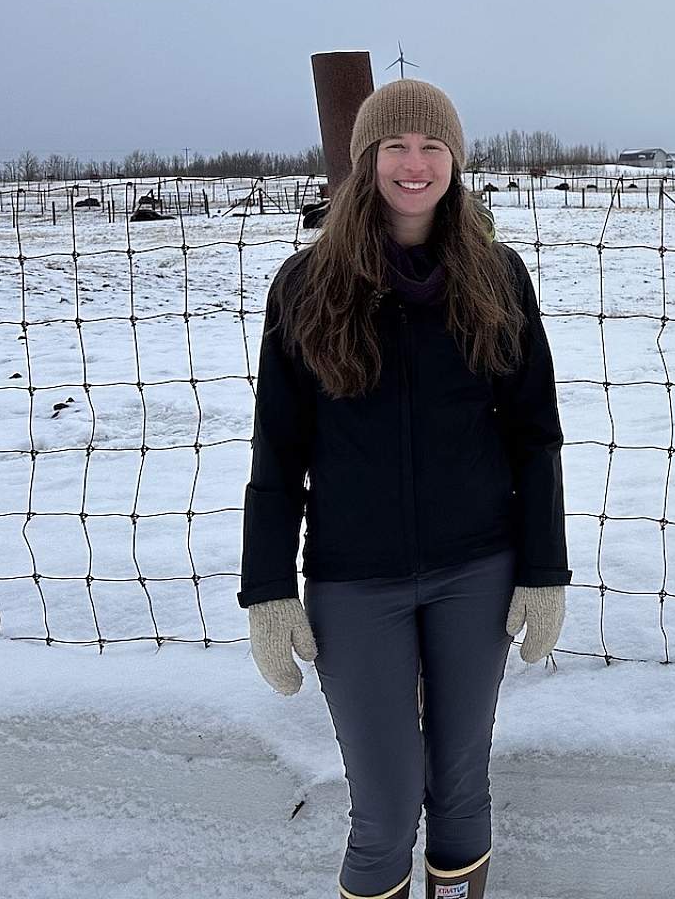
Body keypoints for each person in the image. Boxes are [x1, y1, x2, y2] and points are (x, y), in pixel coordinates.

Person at [240, 79, 568, 899]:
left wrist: (543, 569)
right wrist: (269, 591)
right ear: (366, 161)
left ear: (455, 162)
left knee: (460, 793)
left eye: (432, 148)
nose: (414, 165)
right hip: (357, 583)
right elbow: (278, 451)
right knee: (384, 811)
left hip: (477, 569)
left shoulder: (497, 277)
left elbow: (535, 434)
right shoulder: (306, 286)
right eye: (395, 147)